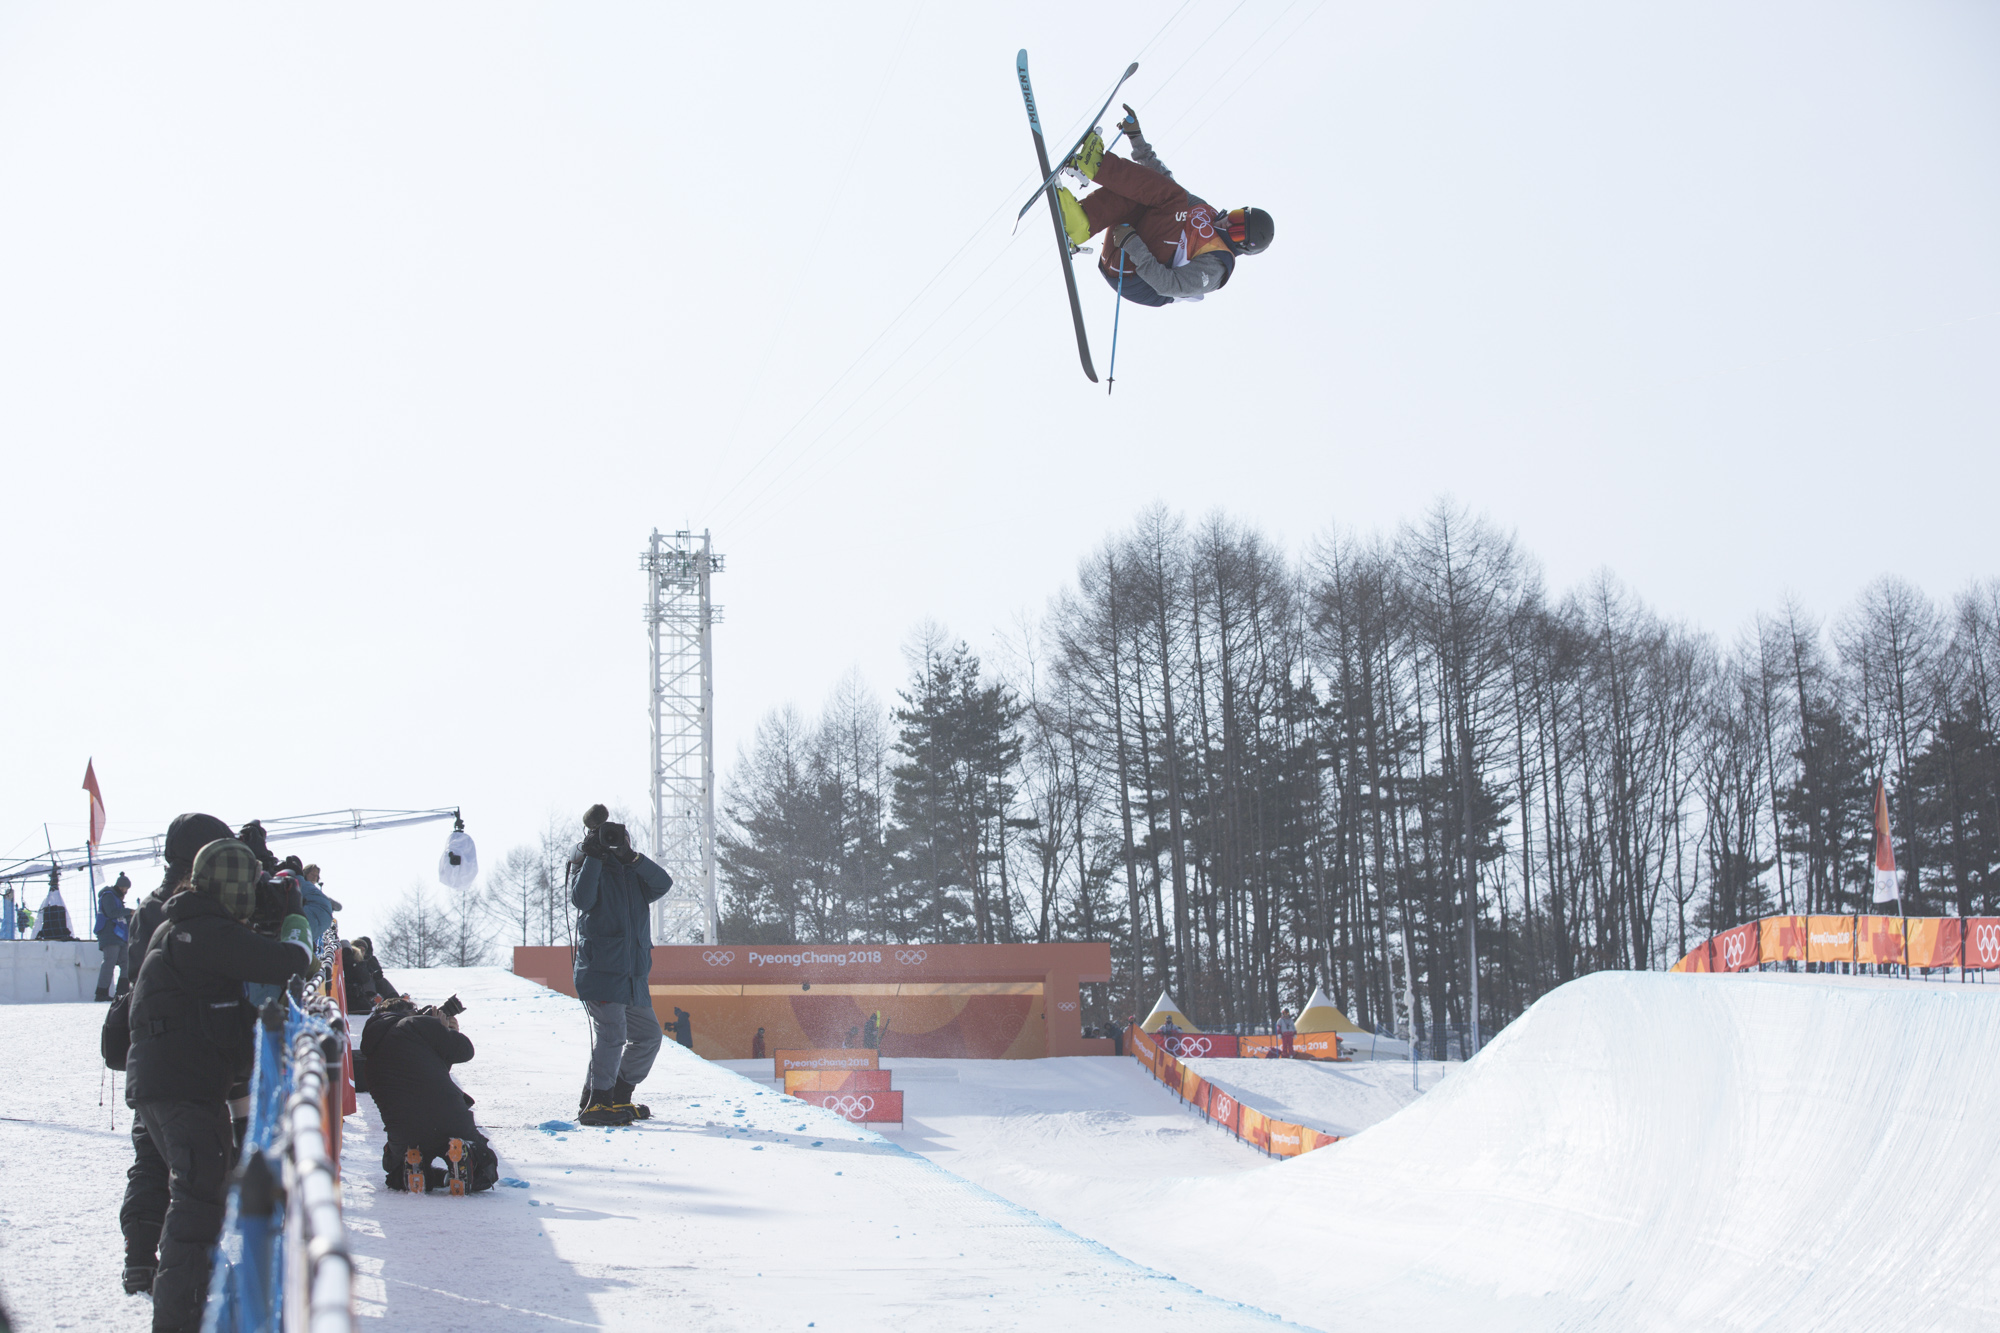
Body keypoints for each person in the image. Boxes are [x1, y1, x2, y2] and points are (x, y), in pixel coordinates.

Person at [124, 838, 314, 1331]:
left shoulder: (180, 922)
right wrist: (295, 917)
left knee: (197, 1194)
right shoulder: (206, 930)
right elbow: (292, 960)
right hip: (184, 1088)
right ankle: (181, 1319)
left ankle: (186, 1299)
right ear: (233, 889)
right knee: (198, 1203)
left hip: (169, 1082)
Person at [1053, 105, 1274, 308]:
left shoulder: (1218, 265)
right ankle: (1082, 222)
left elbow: (1169, 284)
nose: (1228, 223)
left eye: (1236, 230)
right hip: (1124, 248)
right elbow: (1160, 182)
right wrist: (1136, 138)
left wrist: (1132, 243)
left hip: (1140, 280)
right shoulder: (1206, 212)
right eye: (1236, 217)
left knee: (1172, 198)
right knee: (1147, 192)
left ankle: (1098, 164)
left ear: (1241, 246)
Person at [570, 804, 672, 1127]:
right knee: (613, 1033)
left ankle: (616, 1096)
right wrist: (594, 855)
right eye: (609, 838)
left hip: (632, 977)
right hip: (601, 972)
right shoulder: (590, 865)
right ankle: (597, 1102)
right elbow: (581, 899)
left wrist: (633, 858)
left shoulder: (634, 873)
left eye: (619, 839)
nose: (615, 843)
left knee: (649, 1036)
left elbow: (663, 884)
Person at [361, 997, 497, 1194]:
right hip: (449, 1118)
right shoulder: (414, 1024)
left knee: (394, 1168)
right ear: (409, 1012)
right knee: (486, 1167)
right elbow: (465, 1051)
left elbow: (432, 1069)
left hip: (404, 1129)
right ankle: (466, 1159)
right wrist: (446, 1031)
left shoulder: (372, 1047)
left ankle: (422, 1170)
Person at [96, 873, 134, 1000]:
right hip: (109, 934)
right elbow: (111, 913)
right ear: (120, 886)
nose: (125, 891)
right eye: (125, 888)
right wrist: (128, 911)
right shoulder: (108, 896)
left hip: (120, 935)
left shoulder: (116, 898)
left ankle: (122, 993)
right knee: (109, 962)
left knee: (126, 962)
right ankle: (101, 993)